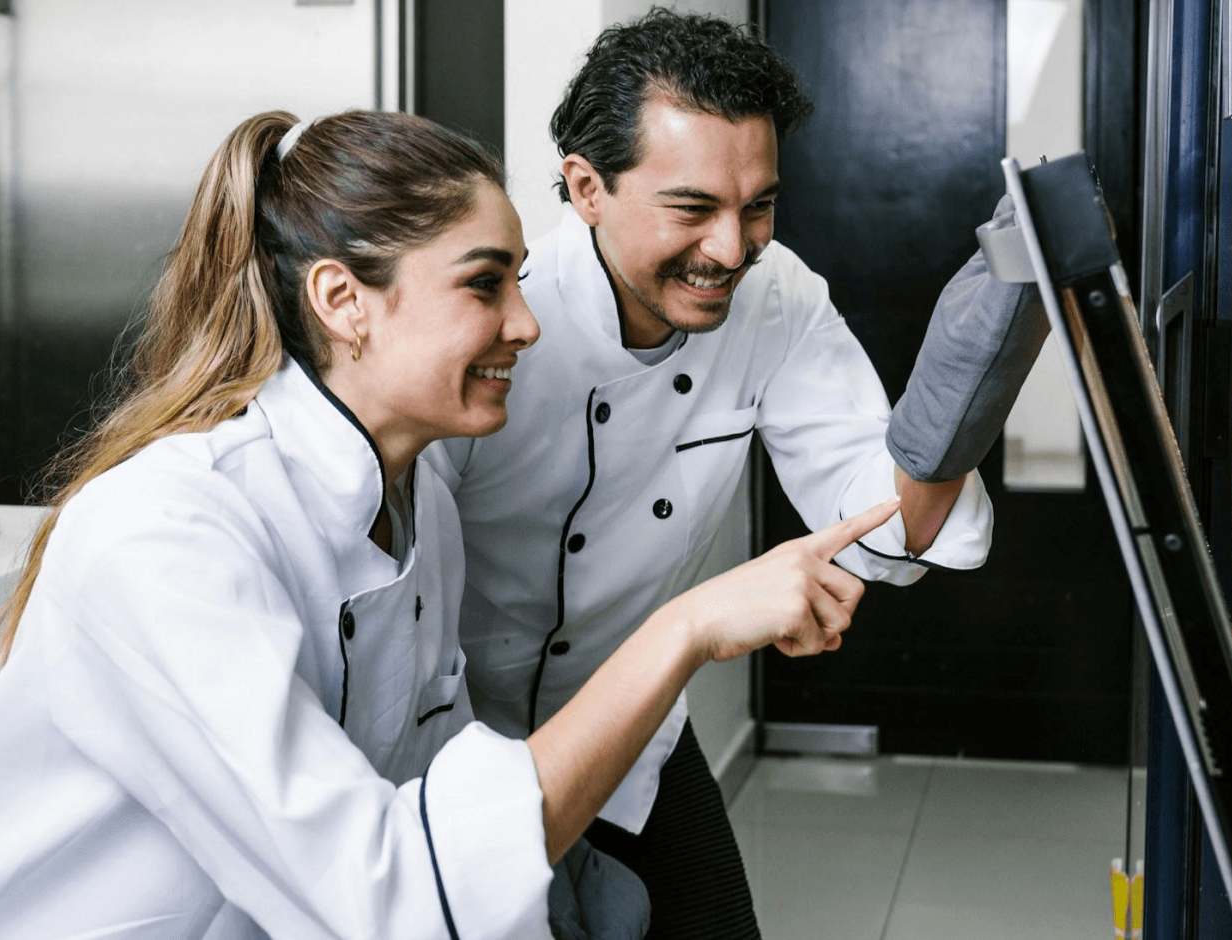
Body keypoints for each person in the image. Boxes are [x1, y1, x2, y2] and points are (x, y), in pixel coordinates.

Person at [0, 109, 898, 940]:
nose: (527, 323)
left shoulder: (417, 503)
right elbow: (385, 897)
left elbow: (421, 789)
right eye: (485, 285)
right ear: (340, 301)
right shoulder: (168, 532)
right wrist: (684, 627)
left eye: (519, 280)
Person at [428, 10, 1048, 939]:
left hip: (634, 722)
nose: (731, 249)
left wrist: (964, 383)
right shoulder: (499, 321)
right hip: (455, 748)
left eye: (758, 205)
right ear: (587, 188)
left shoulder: (776, 297)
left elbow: (887, 522)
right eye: (692, 209)